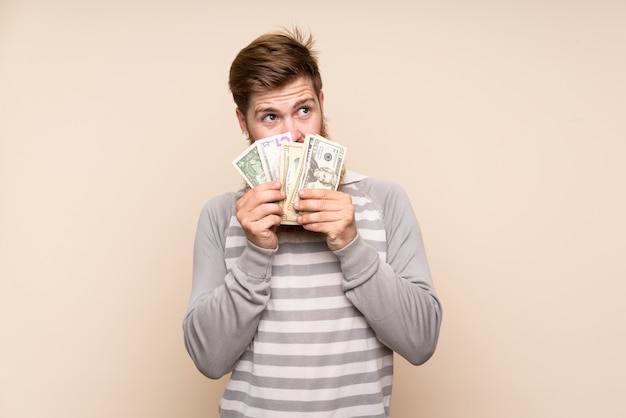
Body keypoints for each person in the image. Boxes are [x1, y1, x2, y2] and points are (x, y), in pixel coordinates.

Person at [183, 27, 442, 418]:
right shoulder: (221, 216)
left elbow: (421, 342)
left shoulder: (385, 202)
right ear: (243, 122)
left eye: (304, 110)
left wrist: (352, 247)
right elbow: (209, 359)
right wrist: (254, 254)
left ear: (322, 104)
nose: (293, 135)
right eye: (270, 117)